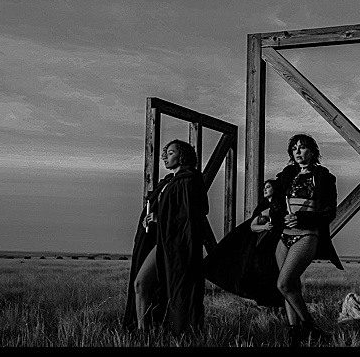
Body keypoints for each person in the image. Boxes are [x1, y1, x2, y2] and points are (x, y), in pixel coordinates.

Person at [122, 139, 210, 336]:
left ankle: (157, 333)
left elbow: (188, 216)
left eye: (170, 153)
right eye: (165, 153)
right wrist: (150, 219)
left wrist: (159, 218)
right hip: (162, 240)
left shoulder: (189, 181)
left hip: (176, 245)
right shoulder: (169, 181)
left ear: (183, 156)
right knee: (141, 284)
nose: (165, 156)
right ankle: (142, 332)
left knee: (143, 283)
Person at [275, 133, 343, 347]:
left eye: (302, 148)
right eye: (294, 148)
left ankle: (311, 327)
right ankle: (295, 332)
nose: (298, 152)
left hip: (306, 235)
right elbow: (275, 203)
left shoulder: (323, 176)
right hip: (284, 237)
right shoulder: (287, 175)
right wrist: (280, 217)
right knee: (292, 285)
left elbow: (329, 211)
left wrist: (302, 218)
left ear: (312, 152)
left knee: (283, 284)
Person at [204, 178, 285, 308]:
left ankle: (277, 302)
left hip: (274, 243)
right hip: (260, 243)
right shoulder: (263, 207)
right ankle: (265, 302)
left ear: (275, 189)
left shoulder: (280, 206)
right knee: (260, 270)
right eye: (264, 187)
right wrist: (264, 227)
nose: (265, 189)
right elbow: (252, 226)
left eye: (268, 187)